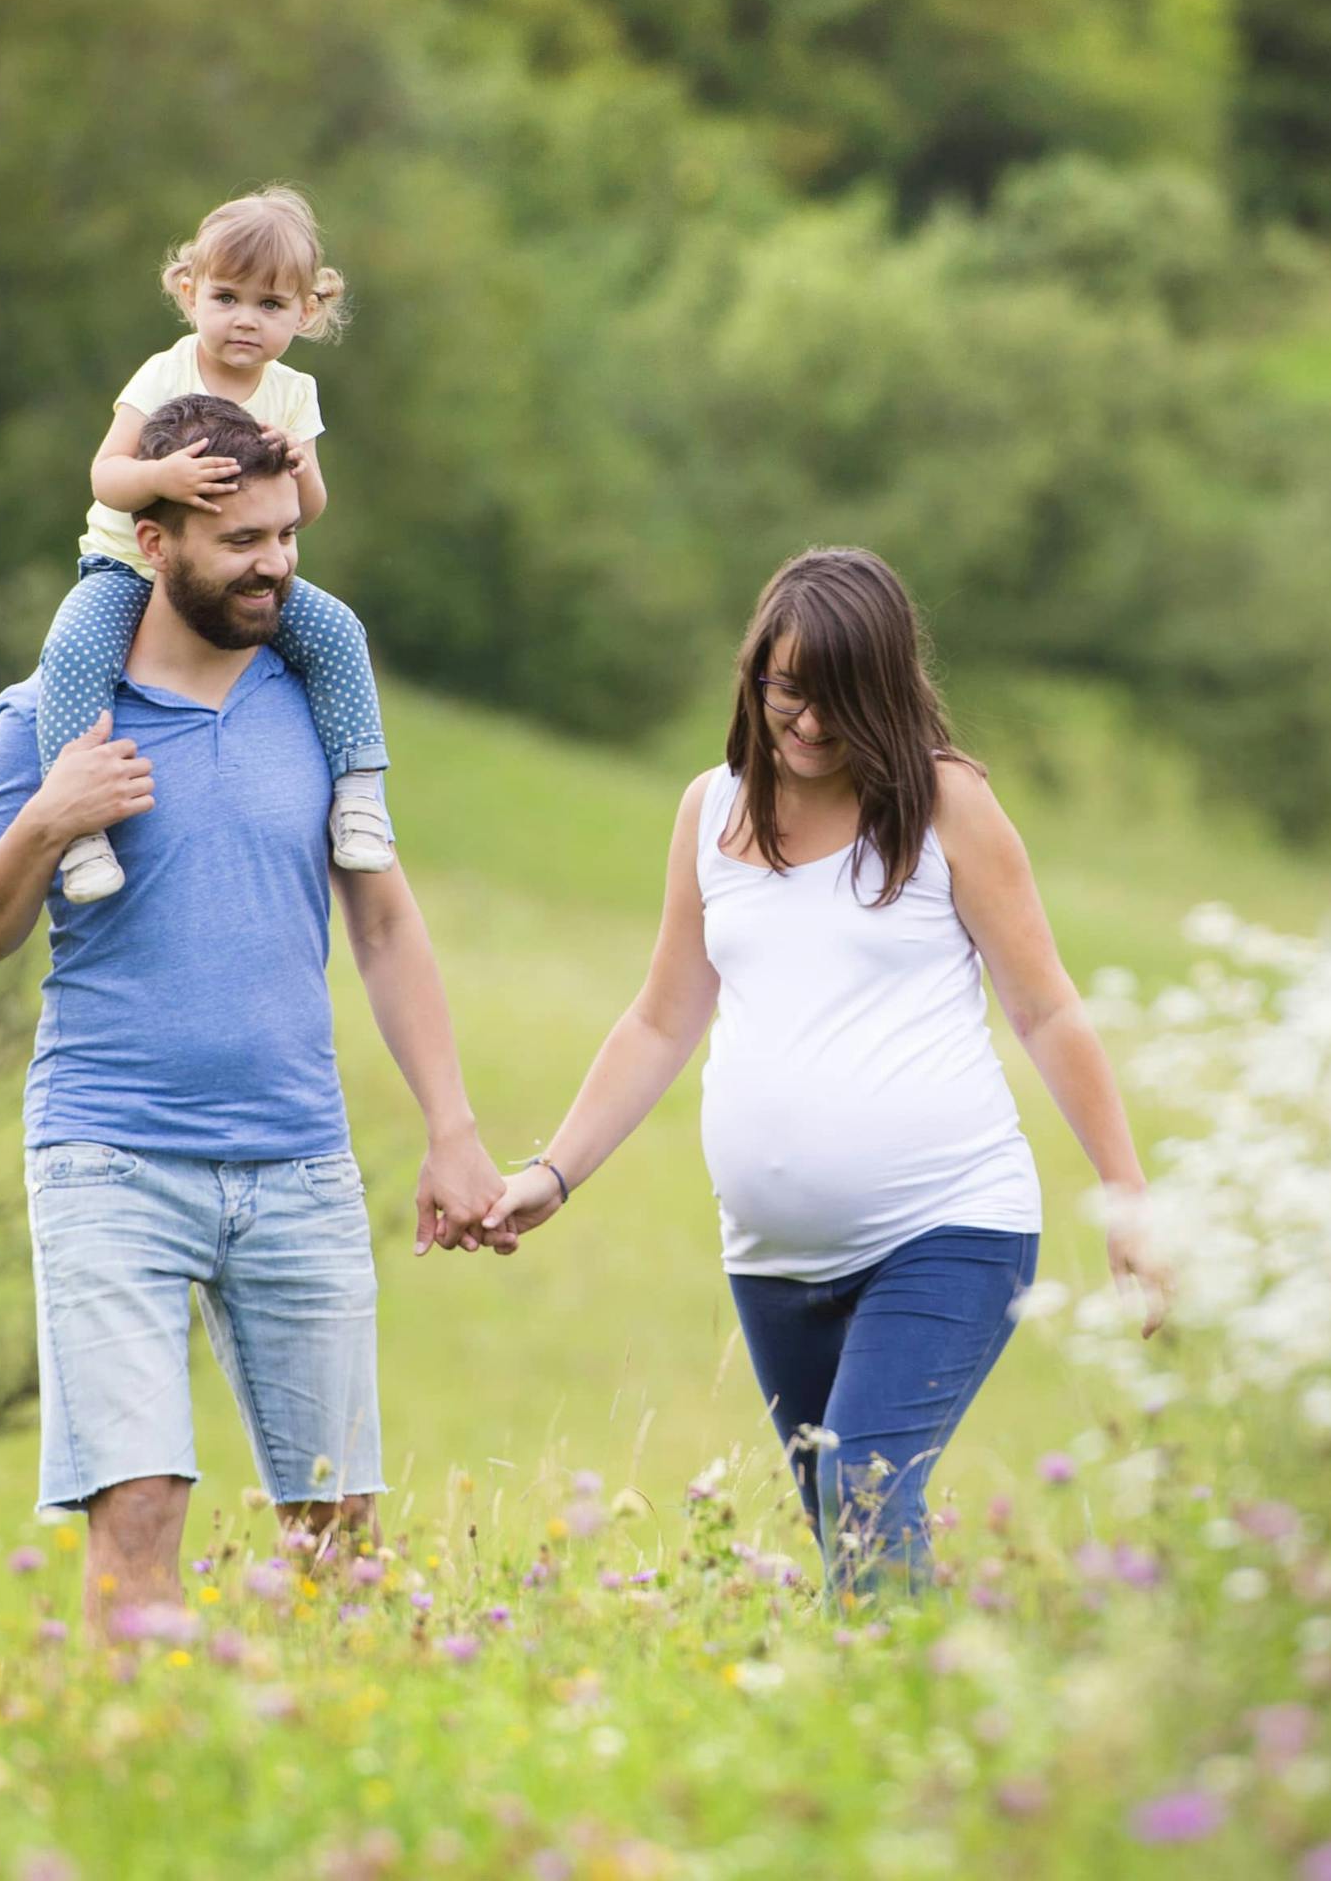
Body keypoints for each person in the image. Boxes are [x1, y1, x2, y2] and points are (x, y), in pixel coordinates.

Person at [480, 547, 1161, 1593]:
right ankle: (929, 1717)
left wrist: (1128, 1197)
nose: (805, 724)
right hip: (771, 1259)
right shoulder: (711, 810)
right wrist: (552, 1174)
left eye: (835, 701)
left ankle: (932, 1732)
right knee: (850, 1540)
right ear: (756, 676)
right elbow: (661, 1019)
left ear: (883, 692)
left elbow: (1047, 1007)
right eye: (787, 690)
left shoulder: (944, 806)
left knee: (866, 1495)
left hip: (950, 1226)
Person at [0, 393, 505, 1620]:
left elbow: (387, 920)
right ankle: (142, 1779)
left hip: (299, 1163)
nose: (276, 566)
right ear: (155, 538)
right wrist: (49, 816)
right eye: (242, 543)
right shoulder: (51, 715)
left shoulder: (315, 704)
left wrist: (453, 1127)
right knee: (137, 1515)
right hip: (109, 1157)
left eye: (286, 536)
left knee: (341, 1542)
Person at [35, 186, 398, 906]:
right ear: (188, 291)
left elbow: (312, 509)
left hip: (240, 573)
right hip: (129, 566)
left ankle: (359, 791)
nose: (245, 320)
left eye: (270, 305)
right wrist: (161, 475)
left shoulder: (294, 393)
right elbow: (106, 476)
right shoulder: (166, 373)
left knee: (337, 632)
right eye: (227, 297)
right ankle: (79, 834)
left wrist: (299, 465)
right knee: (75, 652)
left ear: (307, 312)